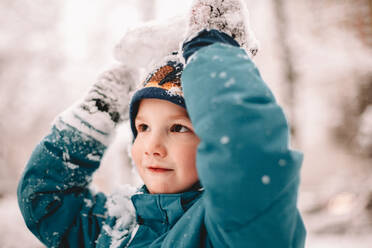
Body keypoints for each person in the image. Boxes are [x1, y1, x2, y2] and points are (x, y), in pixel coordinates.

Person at [17, 0, 306, 247]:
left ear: (215, 137)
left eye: (178, 128)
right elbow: (46, 202)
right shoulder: (116, 229)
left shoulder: (224, 229)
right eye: (142, 128)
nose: (152, 147)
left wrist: (214, 55)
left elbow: (250, 168)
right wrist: (93, 118)